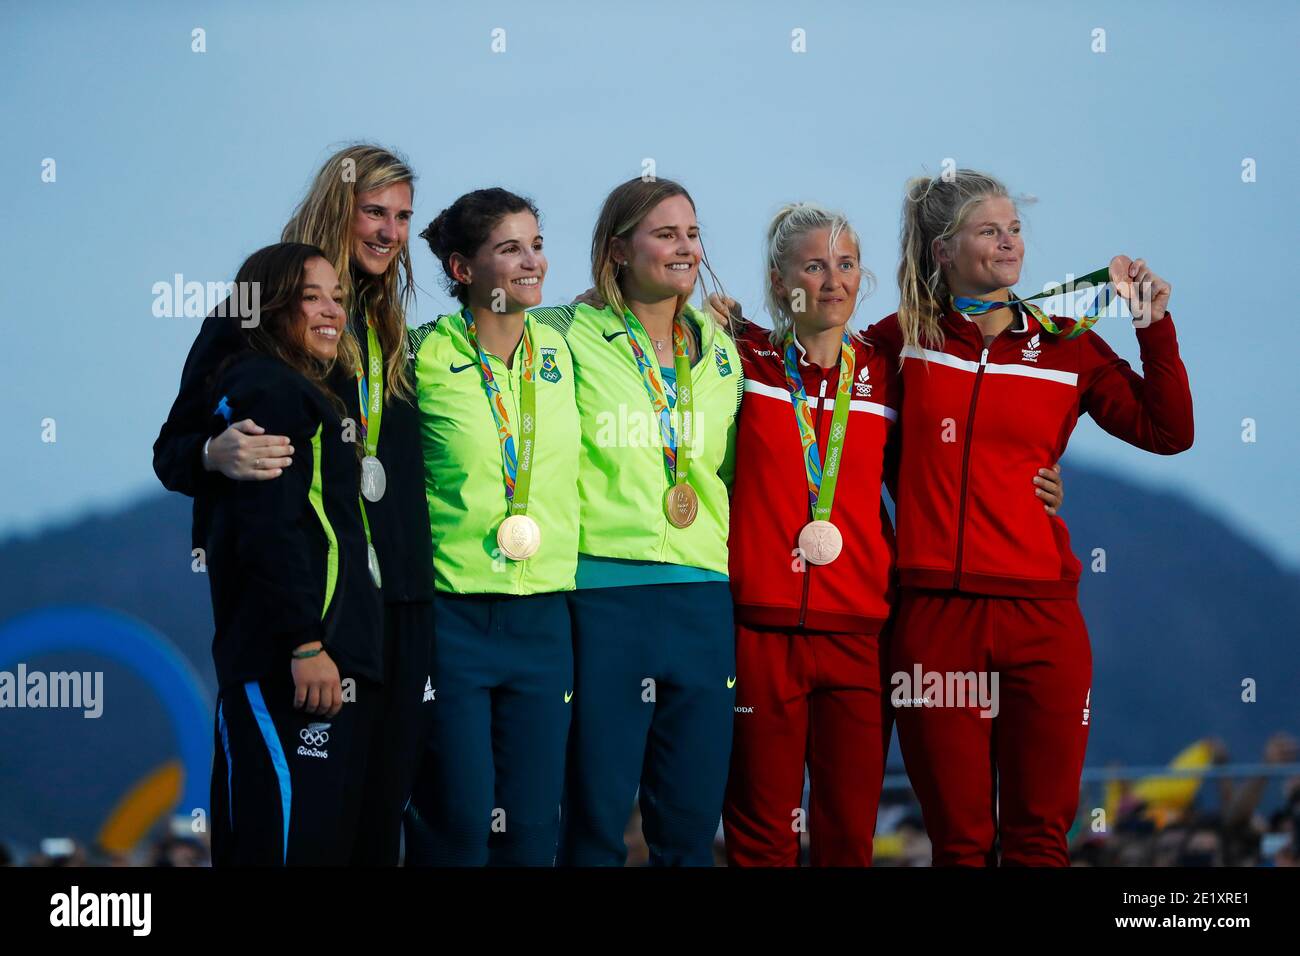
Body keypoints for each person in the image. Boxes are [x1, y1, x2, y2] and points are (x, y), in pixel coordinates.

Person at [865, 169, 1194, 866]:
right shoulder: (903, 341)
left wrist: (1152, 326)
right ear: (942, 251)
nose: (1010, 242)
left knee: (1040, 839)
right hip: (934, 619)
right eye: (990, 230)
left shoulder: (1067, 343)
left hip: (1042, 619)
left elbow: (1168, 430)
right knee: (959, 843)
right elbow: (817, 388)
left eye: (1015, 229)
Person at [720, 203, 1063, 866]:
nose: (832, 280)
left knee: (847, 834)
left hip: (862, 635)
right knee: (760, 833)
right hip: (758, 627)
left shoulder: (888, 366)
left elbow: (970, 441)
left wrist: (1041, 480)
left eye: (846, 264)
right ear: (777, 276)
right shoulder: (742, 363)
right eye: (814, 265)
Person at [153, 145, 435, 865]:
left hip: (395, 603)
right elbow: (172, 446)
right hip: (307, 615)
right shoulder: (263, 311)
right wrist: (212, 453)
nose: (389, 231)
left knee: (374, 822)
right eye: (375, 211)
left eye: (402, 216)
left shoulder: (387, 321)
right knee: (294, 828)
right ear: (337, 208)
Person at [531, 176, 743, 866]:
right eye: (664, 234)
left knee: (688, 828)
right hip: (604, 598)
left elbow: (738, 469)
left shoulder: (718, 346)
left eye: (691, 233)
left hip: (704, 598)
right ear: (618, 249)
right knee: (594, 823)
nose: (684, 248)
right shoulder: (561, 335)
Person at [406, 189, 579, 865]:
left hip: (545, 618)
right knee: (458, 821)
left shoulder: (569, 346)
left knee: (534, 829)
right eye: (509, 249)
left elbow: (641, 307)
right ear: (461, 268)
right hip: (453, 619)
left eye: (536, 244)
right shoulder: (418, 357)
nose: (531, 261)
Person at [205, 242, 381, 866]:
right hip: (289, 663)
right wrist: (305, 644)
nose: (333, 311)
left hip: (325, 660)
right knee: (279, 846)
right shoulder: (268, 388)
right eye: (313, 298)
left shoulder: (303, 389)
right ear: (272, 307)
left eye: (338, 297)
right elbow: (270, 529)